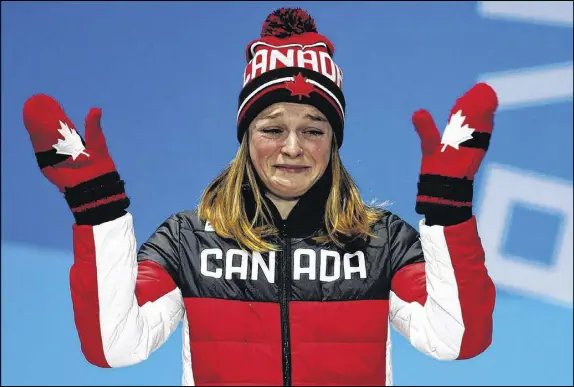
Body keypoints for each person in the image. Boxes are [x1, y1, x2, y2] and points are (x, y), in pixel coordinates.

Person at [22, 7, 497, 387]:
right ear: (246, 137)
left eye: (313, 129)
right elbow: (113, 346)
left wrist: (447, 206)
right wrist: (98, 207)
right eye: (272, 128)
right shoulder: (189, 239)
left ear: (333, 142)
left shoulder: (380, 241)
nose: (293, 148)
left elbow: (457, 338)